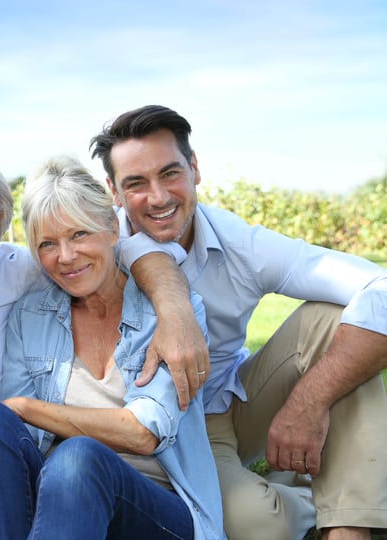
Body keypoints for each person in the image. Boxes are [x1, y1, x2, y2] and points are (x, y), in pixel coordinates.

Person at [89, 104, 387, 540]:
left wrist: (309, 400)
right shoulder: (92, 249)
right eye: (136, 183)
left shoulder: (242, 245)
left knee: (334, 318)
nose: (158, 197)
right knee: (259, 525)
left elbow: (379, 286)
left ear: (194, 168)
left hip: (218, 414)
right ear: (114, 193)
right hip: (134, 430)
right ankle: (304, 493)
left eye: (170, 173)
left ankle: (349, 524)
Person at [0, 156, 224, 539]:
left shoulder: (171, 316)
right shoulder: (31, 315)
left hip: (157, 508)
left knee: (78, 457)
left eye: (79, 235)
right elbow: (25, 439)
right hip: (60, 507)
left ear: (111, 229)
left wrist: (22, 407)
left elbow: (143, 433)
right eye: (48, 244)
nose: (66, 257)